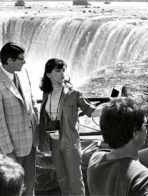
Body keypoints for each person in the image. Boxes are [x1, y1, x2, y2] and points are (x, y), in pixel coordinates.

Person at [38, 58, 101, 196]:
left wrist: (111, 107)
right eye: (58, 70)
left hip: (70, 142)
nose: (62, 73)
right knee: (62, 179)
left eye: (63, 70)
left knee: (75, 181)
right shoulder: (46, 94)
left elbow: (91, 111)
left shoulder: (74, 94)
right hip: (54, 142)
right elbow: (48, 118)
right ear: (48, 74)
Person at [0, 42, 38, 196]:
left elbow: (32, 102)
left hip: (31, 143)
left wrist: (37, 134)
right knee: (13, 190)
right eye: (21, 59)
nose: (24, 62)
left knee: (30, 186)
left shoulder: (23, 73)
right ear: (9, 60)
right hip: (14, 149)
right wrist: (8, 152)